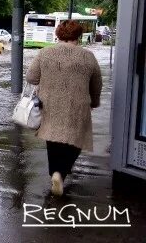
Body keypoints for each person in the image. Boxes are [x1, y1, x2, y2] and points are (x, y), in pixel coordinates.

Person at [26, 20, 102, 196]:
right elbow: (97, 84)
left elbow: (31, 78)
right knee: (76, 141)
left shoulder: (45, 53)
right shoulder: (88, 56)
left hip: (50, 105)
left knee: (53, 140)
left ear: (58, 34)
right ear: (78, 36)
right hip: (78, 106)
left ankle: (55, 173)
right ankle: (61, 172)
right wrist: (95, 101)